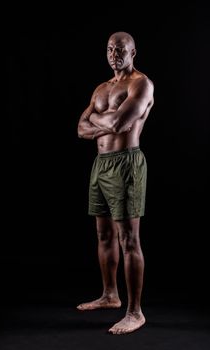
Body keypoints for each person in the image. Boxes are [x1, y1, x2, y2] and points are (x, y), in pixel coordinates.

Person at [77, 31, 154, 335]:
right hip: (101, 165)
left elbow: (120, 124)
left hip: (126, 163)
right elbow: (79, 129)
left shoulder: (141, 83)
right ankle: (110, 295)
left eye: (120, 49)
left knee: (128, 240)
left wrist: (99, 120)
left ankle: (135, 312)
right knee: (103, 235)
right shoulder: (101, 88)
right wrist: (103, 122)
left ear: (134, 51)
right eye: (109, 49)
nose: (114, 54)